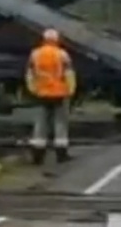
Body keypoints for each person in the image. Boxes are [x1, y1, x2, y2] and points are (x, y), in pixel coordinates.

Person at [25, 28, 77, 165]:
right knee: (60, 123)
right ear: (57, 39)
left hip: (41, 93)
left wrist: (33, 89)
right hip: (59, 93)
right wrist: (70, 90)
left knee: (40, 123)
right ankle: (61, 155)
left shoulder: (35, 54)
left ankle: (38, 156)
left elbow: (30, 74)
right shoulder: (62, 55)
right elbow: (69, 74)